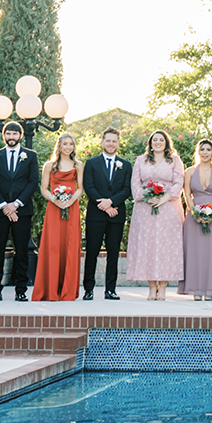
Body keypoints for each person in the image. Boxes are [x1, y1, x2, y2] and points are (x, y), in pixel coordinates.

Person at [0, 121, 40, 302]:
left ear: (20, 135)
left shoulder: (30, 156)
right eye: (8, 133)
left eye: (15, 134)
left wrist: (15, 204)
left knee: (22, 250)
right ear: (4, 135)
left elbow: (33, 182)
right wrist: (3, 205)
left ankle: (21, 290)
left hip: (21, 212)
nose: (11, 137)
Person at [128, 129, 185, 300]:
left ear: (166, 143)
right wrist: (146, 197)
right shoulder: (141, 160)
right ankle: (152, 287)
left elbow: (179, 182)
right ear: (150, 143)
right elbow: (135, 184)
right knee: (148, 246)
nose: (158, 142)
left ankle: (164, 287)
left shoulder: (175, 160)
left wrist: (164, 198)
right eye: (155, 140)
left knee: (166, 246)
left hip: (169, 207)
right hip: (145, 209)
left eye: (161, 139)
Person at [81, 127, 131, 301]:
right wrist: (104, 205)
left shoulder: (125, 165)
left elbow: (127, 189)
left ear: (118, 143)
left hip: (116, 215)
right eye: (108, 140)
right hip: (96, 215)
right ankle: (88, 289)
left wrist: (112, 202)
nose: (111, 144)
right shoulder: (91, 163)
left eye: (114, 141)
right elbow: (89, 187)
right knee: (92, 252)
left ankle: (111, 290)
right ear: (102, 142)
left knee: (113, 253)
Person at [178, 139, 212, 300]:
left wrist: (211, 213)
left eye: (208, 149)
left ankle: (211, 290)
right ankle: (195, 289)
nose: (205, 152)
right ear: (198, 151)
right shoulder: (189, 171)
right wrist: (195, 212)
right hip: (194, 216)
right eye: (202, 149)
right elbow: (187, 193)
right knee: (195, 253)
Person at [33, 133, 84, 301]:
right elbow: (44, 189)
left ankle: (67, 290)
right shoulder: (49, 165)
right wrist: (55, 200)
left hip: (72, 208)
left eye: (71, 144)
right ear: (59, 146)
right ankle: (50, 290)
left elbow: (80, 189)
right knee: (53, 245)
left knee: (69, 245)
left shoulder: (78, 165)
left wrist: (70, 201)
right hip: (54, 208)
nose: (68, 147)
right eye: (65, 144)